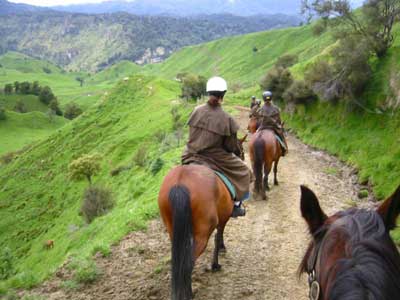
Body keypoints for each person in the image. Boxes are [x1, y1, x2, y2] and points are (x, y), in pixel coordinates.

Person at [182, 76, 251, 217]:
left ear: (208, 92)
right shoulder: (227, 119)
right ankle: (236, 205)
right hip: (215, 158)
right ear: (223, 94)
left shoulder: (196, 111)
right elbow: (230, 147)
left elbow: (191, 134)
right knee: (245, 172)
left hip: (191, 154)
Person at [259, 91, 288, 155]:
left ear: (263, 98)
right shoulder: (276, 108)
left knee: (256, 134)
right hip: (274, 127)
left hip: (263, 126)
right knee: (281, 135)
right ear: (271, 98)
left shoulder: (261, 108)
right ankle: (284, 148)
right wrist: (279, 125)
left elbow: (259, 119)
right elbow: (278, 119)